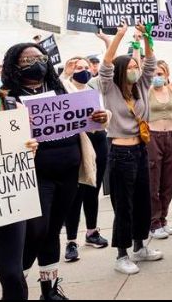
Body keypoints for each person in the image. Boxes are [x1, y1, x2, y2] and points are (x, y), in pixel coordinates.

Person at [2, 43, 106, 300]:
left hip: (69, 172)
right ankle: (18, 282)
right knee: (37, 230)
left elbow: (88, 116)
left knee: (53, 230)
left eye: (39, 58)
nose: (36, 63)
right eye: (27, 60)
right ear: (15, 65)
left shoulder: (60, 89)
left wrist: (101, 117)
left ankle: (49, 290)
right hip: (37, 176)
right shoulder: (8, 97)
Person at [99, 22, 163, 275]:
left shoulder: (142, 87)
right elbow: (105, 65)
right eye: (131, 67)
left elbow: (151, 62)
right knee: (123, 205)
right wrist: (120, 36)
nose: (136, 70)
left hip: (139, 150)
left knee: (142, 201)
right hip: (120, 152)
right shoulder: (110, 88)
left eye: (136, 67)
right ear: (121, 71)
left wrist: (146, 37)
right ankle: (122, 254)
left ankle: (139, 245)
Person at [0, 49, 37, 300]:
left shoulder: (13, 105)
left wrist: (30, 148)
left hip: (7, 200)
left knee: (13, 274)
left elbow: (23, 148)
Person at [60, 57, 111, 263]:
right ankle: (71, 241)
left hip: (98, 141)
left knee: (93, 191)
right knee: (75, 196)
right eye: (77, 68)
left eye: (84, 67)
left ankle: (92, 231)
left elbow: (107, 112)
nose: (82, 71)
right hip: (78, 144)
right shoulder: (64, 89)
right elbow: (58, 90)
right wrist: (65, 73)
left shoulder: (94, 88)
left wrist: (104, 115)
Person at [148, 60, 172, 240]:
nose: (157, 77)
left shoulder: (171, 90)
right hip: (153, 137)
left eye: (160, 73)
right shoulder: (146, 91)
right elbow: (142, 66)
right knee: (153, 181)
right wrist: (140, 44)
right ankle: (153, 223)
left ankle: (163, 219)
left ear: (166, 75)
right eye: (153, 73)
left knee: (169, 182)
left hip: (170, 137)